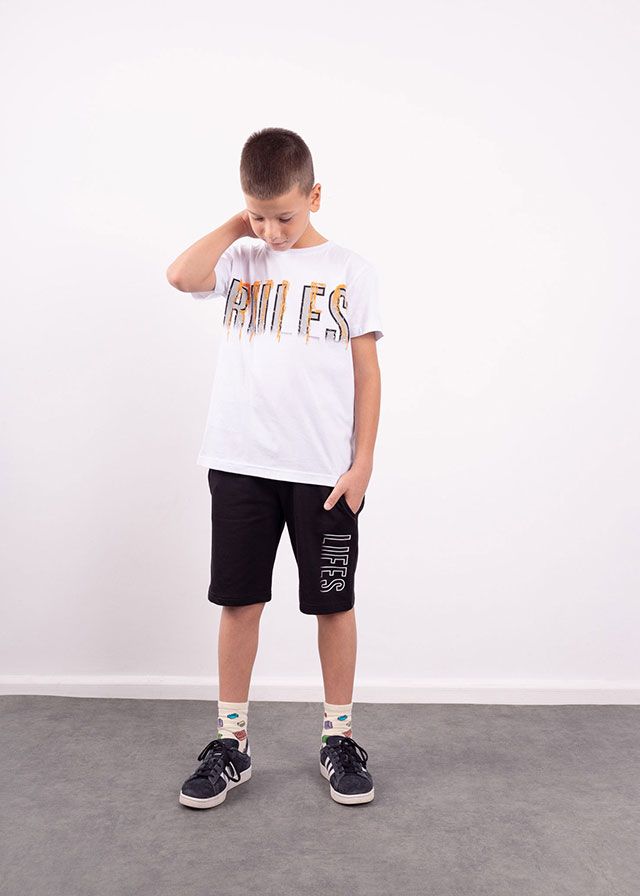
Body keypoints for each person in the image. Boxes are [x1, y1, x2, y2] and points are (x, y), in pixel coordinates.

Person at [167, 127, 384, 809]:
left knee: (333, 602)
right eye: (260, 216)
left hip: (324, 474)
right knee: (240, 601)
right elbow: (181, 276)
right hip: (239, 462)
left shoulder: (350, 269)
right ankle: (231, 740)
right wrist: (242, 224)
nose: (273, 231)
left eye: (285, 216)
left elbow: (367, 373)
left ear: (315, 196)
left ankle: (339, 737)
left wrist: (362, 463)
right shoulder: (241, 257)